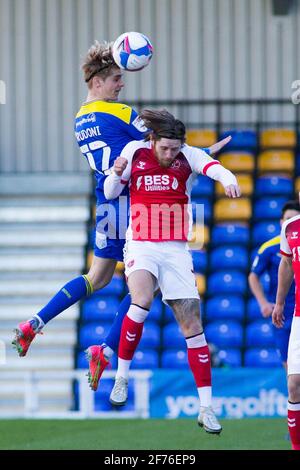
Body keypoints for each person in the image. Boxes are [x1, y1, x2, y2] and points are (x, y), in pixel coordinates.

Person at [12, 39, 231, 391]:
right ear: (97, 81)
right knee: (149, 281)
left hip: (106, 200)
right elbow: (163, 144)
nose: (122, 83)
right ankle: (106, 350)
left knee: (96, 277)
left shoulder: (80, 119)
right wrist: (202, 155)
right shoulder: (119, 112)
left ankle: (34, 323)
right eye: (116, 78)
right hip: (137, 201)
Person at [96, 108, 241, 434]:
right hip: (142, 243)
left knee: (192, 324)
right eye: (165, 148)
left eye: (174, 149)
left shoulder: (187, 156)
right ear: (153, 139)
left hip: (176, 249)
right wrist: (117, 174)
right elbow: (109, 193)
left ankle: (206, 407)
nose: (169, 154)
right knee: (141, 300)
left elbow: (214, 168)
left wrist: (229, 179)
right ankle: (121, 378)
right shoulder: (134, 152)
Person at [249, 201, 300, 370]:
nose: (291, 222)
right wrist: (263, 303)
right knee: (288, 364)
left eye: (295, 219)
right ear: (281, 222)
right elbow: (253, 276)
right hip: (283, 313)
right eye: (288, 218)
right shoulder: (269, 248)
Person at [272, 205, 300, 450]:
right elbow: (286, 264)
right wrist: (279, 302)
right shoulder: (290, 227)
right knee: (294, 382)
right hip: (299, 315)